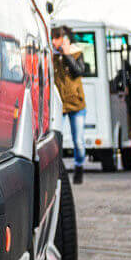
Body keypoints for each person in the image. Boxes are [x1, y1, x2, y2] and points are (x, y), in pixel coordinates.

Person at [50, 27, 88, 171]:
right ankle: (57, 168)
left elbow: (78, 71)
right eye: (52, 38)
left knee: (78, 140)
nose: (54, 41)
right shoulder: (51, 56)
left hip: (77, 104)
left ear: (64, 39)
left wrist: (67, 55)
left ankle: (79, 165)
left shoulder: (76, 53)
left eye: (56, 38)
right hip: (59, 105)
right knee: (56, 138)